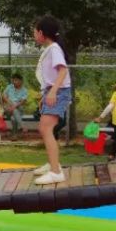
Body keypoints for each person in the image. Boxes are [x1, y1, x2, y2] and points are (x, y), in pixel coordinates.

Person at [32, 15, 72, 185]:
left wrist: (53, 92)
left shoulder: (54, 49)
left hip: (59, 90)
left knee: (45, 127)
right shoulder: (51, 48)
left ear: (41, 33)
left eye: (34, 31)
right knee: (46, 128)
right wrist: (46, 93)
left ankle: (56, 172)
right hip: (54, 90)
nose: (33, 35)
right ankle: (52, 164)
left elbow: (62, 71)